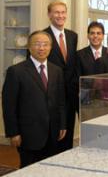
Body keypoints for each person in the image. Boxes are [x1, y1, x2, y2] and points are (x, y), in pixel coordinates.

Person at [2, 31, 66, 167]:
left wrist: (62, 124)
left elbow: (61, 100)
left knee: (50, 169)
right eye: (37, 44)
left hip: (52, 132)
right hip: (28, 134)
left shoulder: (57, 71)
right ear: (29, 47)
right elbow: (9, 105)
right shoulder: (16, 71)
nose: (41, 48)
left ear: (50, 47)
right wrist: (13, 133)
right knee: (28, 170)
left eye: (45, 44)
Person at [43, 1, 78, 152]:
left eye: (63, 12)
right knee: (51, 138)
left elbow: (71, 65)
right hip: (50, 95)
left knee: (67, 137)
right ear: (49, 15)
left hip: (69, 97)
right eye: (56, 12)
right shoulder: (42, 36)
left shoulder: (72, 36)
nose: (60, 15)